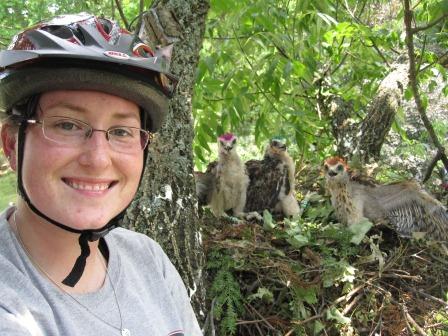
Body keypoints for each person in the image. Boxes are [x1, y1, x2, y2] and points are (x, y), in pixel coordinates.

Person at [0, 13, 202, 336]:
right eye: (67, 125)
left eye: (121, 131)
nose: (97, 159)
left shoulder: (148, 260)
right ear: (11, 144)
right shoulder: (11, 308)